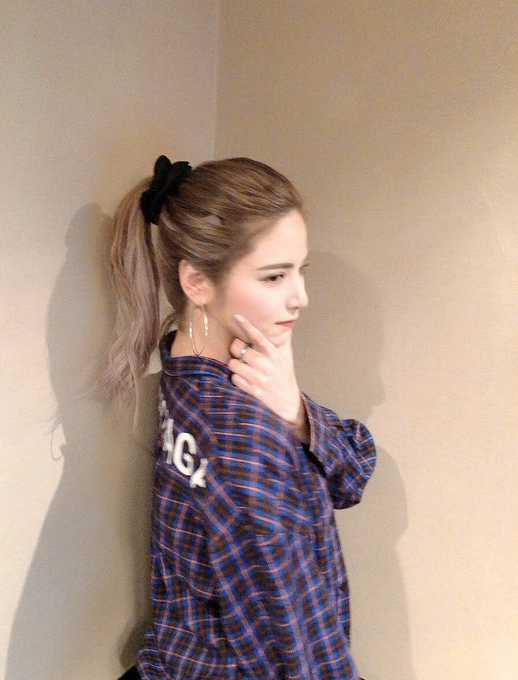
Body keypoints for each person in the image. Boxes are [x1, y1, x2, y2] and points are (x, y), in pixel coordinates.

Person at [108, 155, 376, 679]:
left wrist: (297, 413)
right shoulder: (244, 434)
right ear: (197, 281)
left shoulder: (184, 369)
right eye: (275, 276)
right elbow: (296, 645)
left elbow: (353, 471)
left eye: (300, 271)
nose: (301, 298)